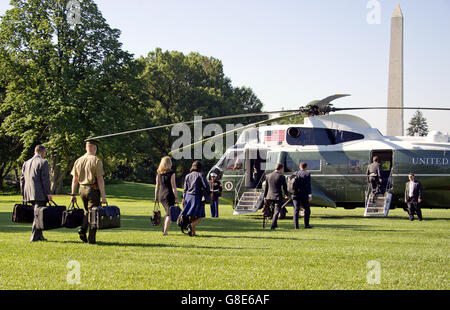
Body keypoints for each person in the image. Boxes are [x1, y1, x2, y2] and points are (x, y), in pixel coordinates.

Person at [70, 139, 107, 244]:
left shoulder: (78, 160)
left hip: (81, 189)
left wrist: (73, 193)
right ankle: (91, 239)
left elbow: (74, 179)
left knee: (88, 211)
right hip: (92, 189)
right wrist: (103, 196)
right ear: (94, 148)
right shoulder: (96, 160)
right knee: (94, 214)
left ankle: (83, 230)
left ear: (86, 148)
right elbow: (100, 179)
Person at [20, 145, 53, 242]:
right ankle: (34, 236)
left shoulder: (26, 163)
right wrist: (48, 193)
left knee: (37, 214)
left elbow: (22, 180)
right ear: (42, 152)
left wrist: (23, 193)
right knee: (38, 215)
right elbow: (45, 179)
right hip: (39, 193)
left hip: (28, 192)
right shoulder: (43, 162)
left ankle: (39, 236)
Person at [181, 160, 211, 236]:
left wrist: (183, 198)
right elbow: (206, 186)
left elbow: (185, 189)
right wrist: (208, 192)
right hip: (197, 197)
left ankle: (193, 233)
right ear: (200, 167)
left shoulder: (187, 176)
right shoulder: (201, 174)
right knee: (201, 215)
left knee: (192, 215)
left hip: (188, 197)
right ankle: (191, 226)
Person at [155, 156, 178, 235]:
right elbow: (173, 187)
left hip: (161, 195)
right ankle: (165, 232)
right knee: (169, 214)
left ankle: (164, 229)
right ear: (169, 163)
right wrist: (176, 198)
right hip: (169, 195)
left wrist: (156, 197)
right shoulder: (172, 173)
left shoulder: (159, 174)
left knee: (167, 212)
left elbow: (157, 186)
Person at [263, 163, 288, 230]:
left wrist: (265, 196)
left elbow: (266, 188)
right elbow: (284, 187)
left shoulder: (268, 175)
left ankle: (275, 224)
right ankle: (273, 225)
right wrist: (286, 194)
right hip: (277, 196)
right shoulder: (281, 176)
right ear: (281, 168)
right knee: (277, 211)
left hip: (269, 196)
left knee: (273, 210)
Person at [292, 162, 313, 229]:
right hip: (303, 194)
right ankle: (306, 225)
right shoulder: (307, 174)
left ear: (299, 167)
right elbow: (308, 185)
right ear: (306, 167)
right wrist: (309, 195)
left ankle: (296, 226)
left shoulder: (295, 173)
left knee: (296, 210)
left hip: (295, 194)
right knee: (307, 209)